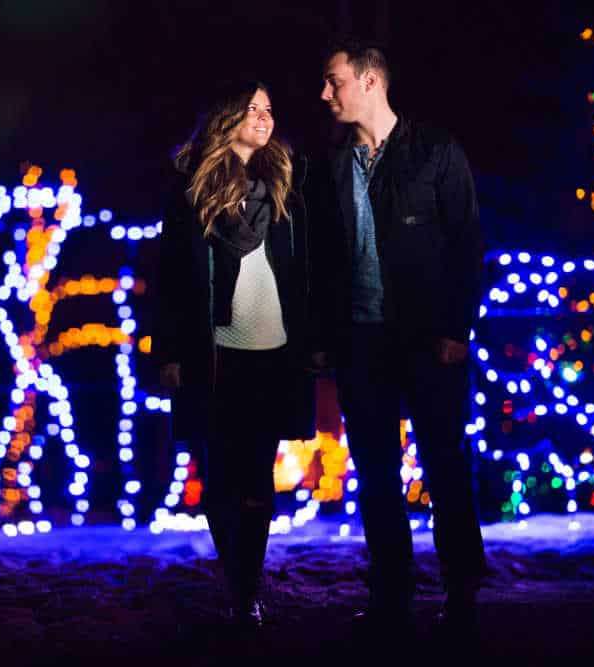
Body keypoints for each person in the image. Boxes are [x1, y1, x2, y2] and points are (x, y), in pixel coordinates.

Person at [308, 39, 488, 636]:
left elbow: (466, 243)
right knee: (376, 468)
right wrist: (324, 335)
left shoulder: (435, 151)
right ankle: (392, 591)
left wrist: (454, 328)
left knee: (444, 462)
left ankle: (461, 589)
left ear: (370, 81)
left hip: (427, 336)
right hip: (361, 338)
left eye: (334, 81)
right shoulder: (331, 164)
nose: (325, 93)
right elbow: (324, 259)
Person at [152, 80, 315, 630]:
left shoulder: (284, 183)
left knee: (257, 478)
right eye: (251, 108)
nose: (264, 117)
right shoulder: (191, 189)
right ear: (225, 117)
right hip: (218, 353)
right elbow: (169, 276)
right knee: (222, 476)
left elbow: (306, 269)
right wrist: (168, 351)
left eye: (269, 108)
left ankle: (249, 583)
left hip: (274, 349)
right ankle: (238, 586)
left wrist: (312, 340)